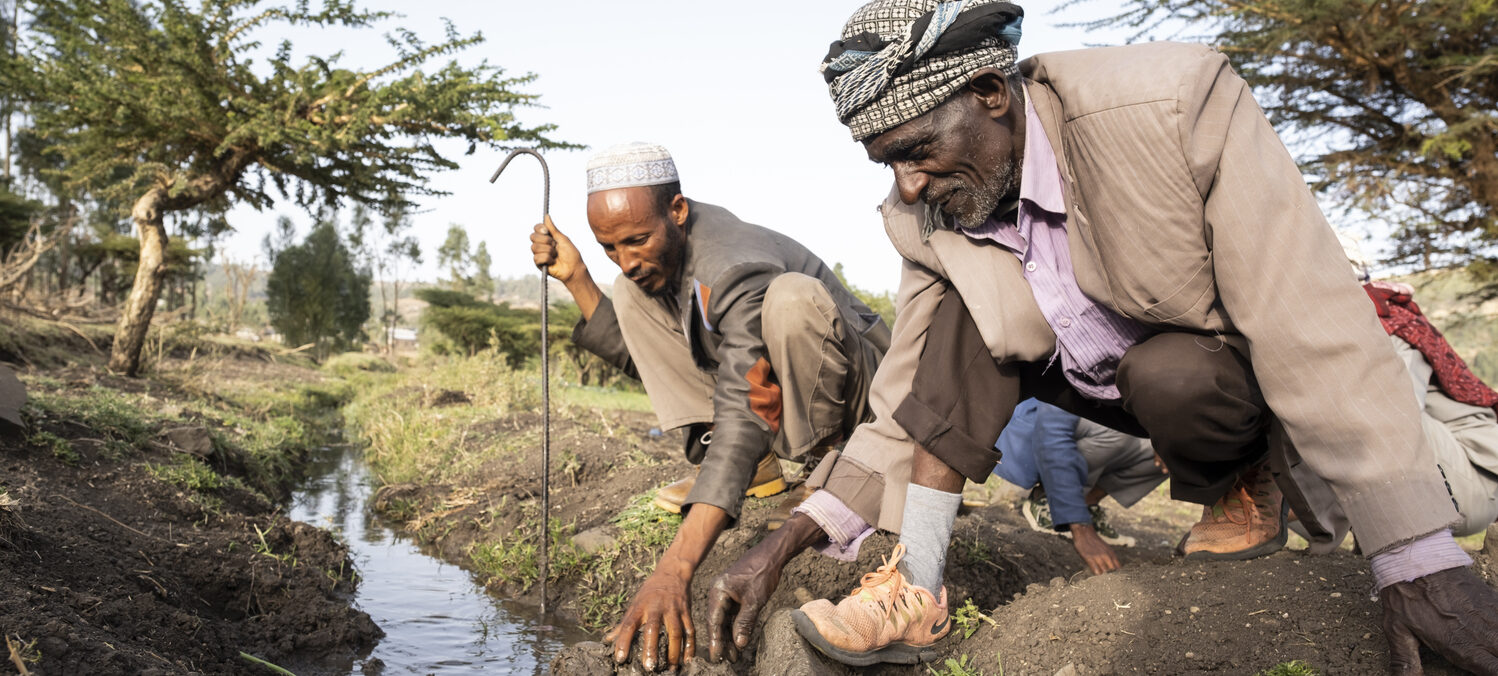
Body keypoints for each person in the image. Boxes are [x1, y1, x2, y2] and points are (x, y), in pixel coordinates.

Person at [699, 2, 1498, 671]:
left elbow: (1305, 312)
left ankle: (1244, 484)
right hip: (1089, 387)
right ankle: (918, 583)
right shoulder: (928, 211)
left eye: (916, 152)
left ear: (989, 91)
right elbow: (906, 393)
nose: (908, 185)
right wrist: (784, 543)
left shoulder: (1174, 105)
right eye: (886, 164)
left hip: (1216, 386)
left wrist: (1412, 557)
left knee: (1171, 370)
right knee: (958, 320)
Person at [528, 142, 890, 671]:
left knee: (789, 300)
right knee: (628, 293)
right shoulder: (661, 263)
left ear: (677, 210)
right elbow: (655, 363)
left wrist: (675, 569)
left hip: (866, 399)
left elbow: (746, 403)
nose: (625, 259)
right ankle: (759, 471)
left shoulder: (731, 264)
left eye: (636, 240)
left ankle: (828, 475)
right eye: (609, 247)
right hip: (773, 393)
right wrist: (578, 277)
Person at [990, 398, 1164, 574]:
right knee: (1118, 433)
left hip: (1078, 428)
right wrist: (1080, 528)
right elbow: (1053, 433)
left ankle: (1085, 504)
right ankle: (1048, 503)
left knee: (1168, 443)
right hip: (1036, 436)